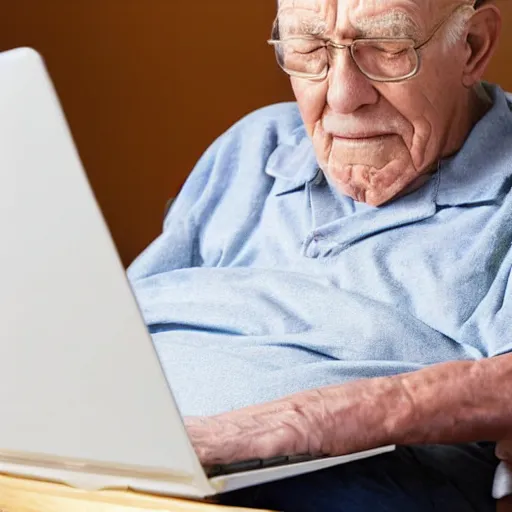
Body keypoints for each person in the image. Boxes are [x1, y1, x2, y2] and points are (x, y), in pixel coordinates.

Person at [127, 0, 512, 509]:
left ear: (472, 47)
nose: (342, 95)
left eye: (388, 48)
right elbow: (116, 330)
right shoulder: (254, 145)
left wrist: (308, 422)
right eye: (308, 48)